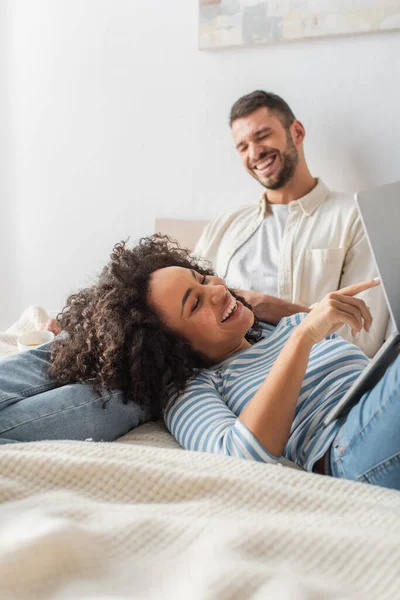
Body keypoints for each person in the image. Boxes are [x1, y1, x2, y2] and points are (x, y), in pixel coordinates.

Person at [0, 236, 399, 491]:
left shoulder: (290, 325)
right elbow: (240, 459)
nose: (218, 291)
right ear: (171, 346)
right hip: (349, 450)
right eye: (195, 302)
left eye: (204, 280)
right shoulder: (192, 389)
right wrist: (302, 339)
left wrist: (293, 322)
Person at [194, 90, 389, 358]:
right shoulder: (224, 226)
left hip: (307, 378)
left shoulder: (354, 216)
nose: (254, 153)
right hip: (215, 372)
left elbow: (364, 338)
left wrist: (270, 308)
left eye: (262, 136)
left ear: (296, 132)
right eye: (243, 147)